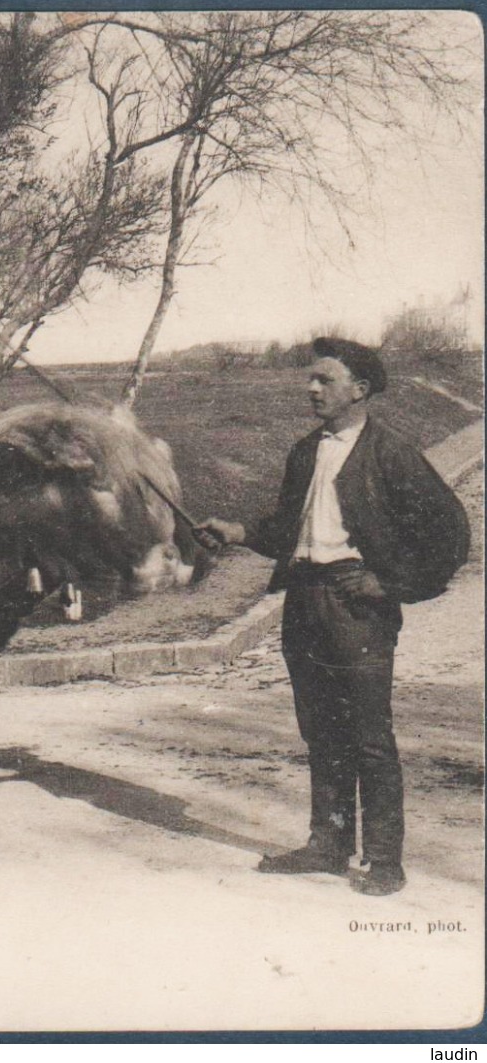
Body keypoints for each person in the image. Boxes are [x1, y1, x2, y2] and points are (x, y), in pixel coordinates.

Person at [197, 337, 470, 896]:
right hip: (303, 600)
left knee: (370, 736)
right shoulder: (305, 451)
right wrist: (239, 532)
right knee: (320, 730)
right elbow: (285, 530)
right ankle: (328, 843)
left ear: (360, 390)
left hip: (356, 608)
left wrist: (389, 583)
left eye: (324, 379)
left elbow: (451, 535)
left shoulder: (391, 453)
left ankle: (385, 861)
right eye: (311, 379)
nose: (311, 388)